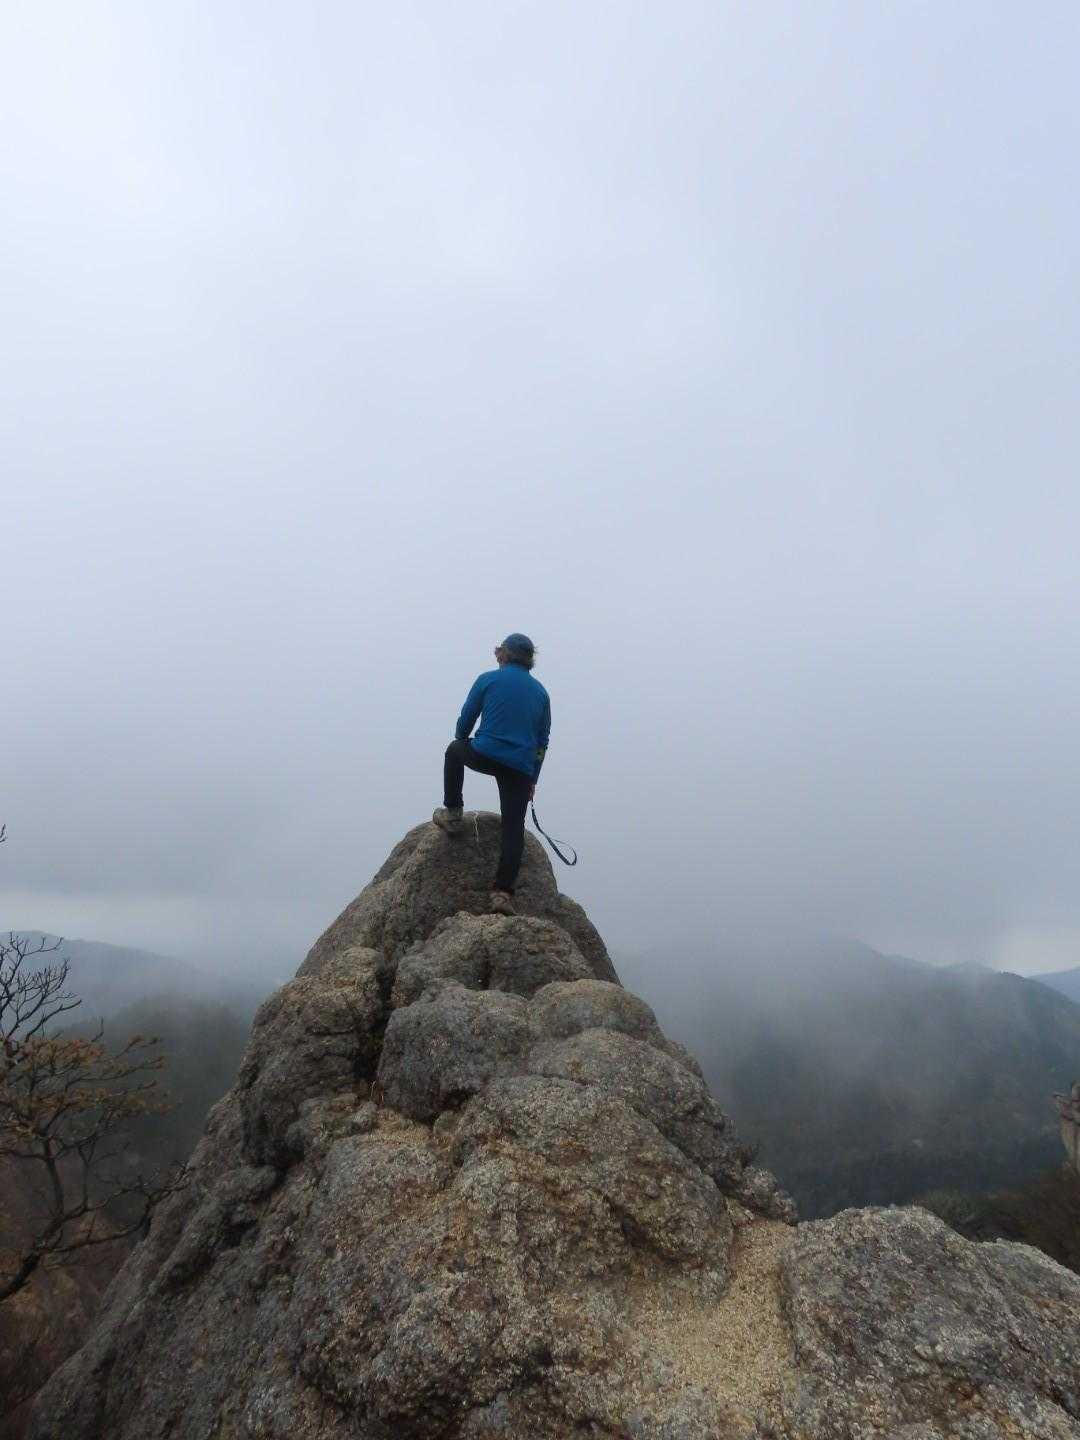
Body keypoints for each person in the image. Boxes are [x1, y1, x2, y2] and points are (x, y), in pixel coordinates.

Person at [434, 633, 550, 915]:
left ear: (503, 654)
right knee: (513, 828)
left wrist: (462, 736)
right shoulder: (541, 693)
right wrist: (532, 778)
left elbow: (466, 719)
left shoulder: (488, 680)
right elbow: (541, 742)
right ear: (529, 660)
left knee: (454, 751)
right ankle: (502, 894)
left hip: (485, 752)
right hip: (520, 768)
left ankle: (453, 814)